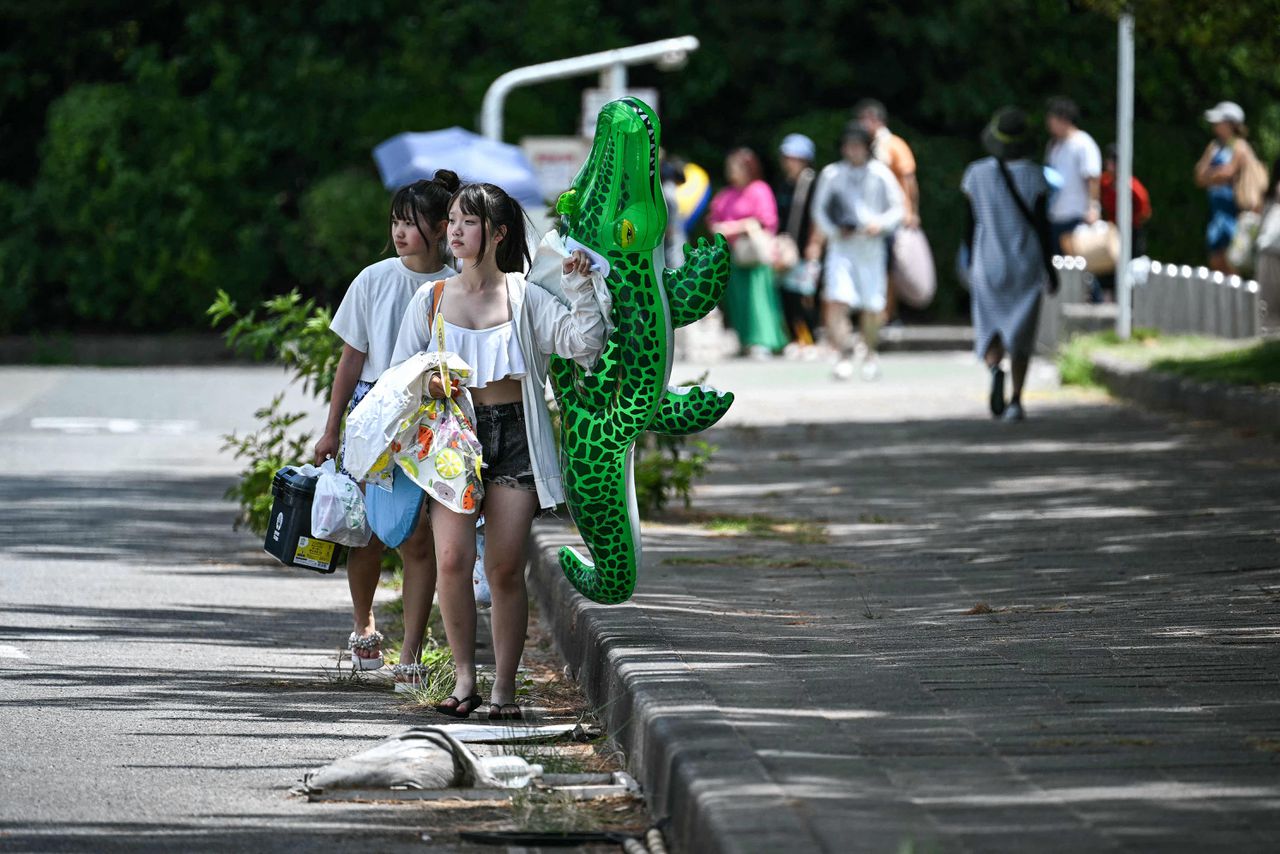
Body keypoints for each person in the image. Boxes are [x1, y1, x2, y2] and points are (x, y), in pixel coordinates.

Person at [390, 183, 605, 721]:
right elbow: (399, 377)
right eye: (453, 221)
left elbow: (584, 347)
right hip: (452, 440)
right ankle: (465, 681)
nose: (455, 230)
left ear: (498, 232)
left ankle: (505, 688)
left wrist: (580, 287)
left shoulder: (526, 295)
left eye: (468, 221)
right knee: (453, 561)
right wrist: (429, 386)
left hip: (515, 438)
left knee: (506, 568)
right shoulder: (432, 299)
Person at [313, 172, 460, 690]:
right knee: (368, 531)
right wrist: (331, 430)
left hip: (429, 415)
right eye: (395, 221)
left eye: (411, 222)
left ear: (442, 227)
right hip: (373, 413)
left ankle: (414, 651)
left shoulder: (458, 284)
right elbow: (350, 360)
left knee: (418, 538)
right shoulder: (373, 279)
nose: (399, 232)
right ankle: (365, 628)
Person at [962, 107, 1056, 422]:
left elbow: (969, 224)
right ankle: (1016, 400)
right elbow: (1044, 228)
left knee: (990, 324)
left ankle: (994, 368)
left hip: (987, 260)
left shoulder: (976, 173)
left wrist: (968, 259)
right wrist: (1051, 269)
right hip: (1025, 263)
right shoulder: (1035, 176)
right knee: (1022, 332)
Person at [807, 123, 904, 381]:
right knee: (838, 299)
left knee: (873, 305)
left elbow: (898, 209)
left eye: (857, 145)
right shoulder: (831, 174)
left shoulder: (880, 174)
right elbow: (819, 210)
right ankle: (843, 356)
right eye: (848, 145)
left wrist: (879, 225)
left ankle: (871, 355)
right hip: (841, 247)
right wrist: (835, 231)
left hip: (871, 248)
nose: (853, 151)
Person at [707, 147, 789, 358]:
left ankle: (763, 341)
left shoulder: (759, 189)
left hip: (756, 255)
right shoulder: (727, 194)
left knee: (758, 297)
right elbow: (713, 219)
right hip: (734, 254)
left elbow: (765, 220)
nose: (732, 171)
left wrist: (734, 227)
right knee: (738, 298)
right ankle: (745, 340)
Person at [855, 99, 920, 324]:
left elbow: (909, 179)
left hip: (894, 217)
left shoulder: (893, 144)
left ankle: (888, 315)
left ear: (874, 120)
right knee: (879, 265)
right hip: (873, 218)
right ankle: (879, 314)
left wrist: (912, 212)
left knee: (891, 267)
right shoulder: (869, 146)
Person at [1194, 101, 1259, 273]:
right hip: (1217, 212)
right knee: (1215, 259)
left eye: (1219, 121)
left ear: (1231, 124)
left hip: (1235, 212)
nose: (1215, 125)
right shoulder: (1214, 146)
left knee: (1232, 261)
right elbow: (1199, 175)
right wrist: (1216, 175)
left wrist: (1211, 175)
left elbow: (1229, 172)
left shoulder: (1240, 146)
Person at [774, 133, 821, 355]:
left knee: (806, 297)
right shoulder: (786, 184)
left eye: (792, 157)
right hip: (788, 250)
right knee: (788, 295)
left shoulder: (813, 182)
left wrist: (815, 243)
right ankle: (795, 338)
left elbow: (819, 216)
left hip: (807, 249)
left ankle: (810, 339)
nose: (788, 162)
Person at [1044, 97, 1102, 254]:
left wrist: (1093, 207)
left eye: (1052, 119)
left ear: (1063, 119)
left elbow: (1092, 177)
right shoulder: (1053, 145)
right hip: (1055, 214)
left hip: (1077, 215)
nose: (1049, 124)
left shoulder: (1083, 143)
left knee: (1078, 268)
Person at [1097, 142, 1152, 302]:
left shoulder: (1133, 187)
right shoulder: (1105, 183)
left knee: (1130, 265)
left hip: (1131, 232)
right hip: (1112, 231)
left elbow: (1144, 211)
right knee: (1108, 267)